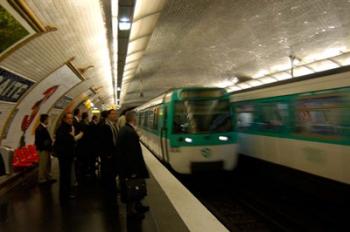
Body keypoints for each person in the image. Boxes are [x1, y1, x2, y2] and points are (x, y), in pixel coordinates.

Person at [117, 110, 149, 218]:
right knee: (132, 188)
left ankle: (138, 205)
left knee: (136, 187)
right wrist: (134, 170)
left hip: (128, 166)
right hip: (131, 167)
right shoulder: (129, 132)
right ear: (133, 119)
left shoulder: (125, 129)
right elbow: (131, 153)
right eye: (136, 118)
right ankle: (131, 212)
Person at [55, 113, 79, 200]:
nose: (70, 120)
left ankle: (66, 193)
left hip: (66, 155)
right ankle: (65, 194)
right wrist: (72, 137)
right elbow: (66, 142)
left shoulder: (66, 128)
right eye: (69, 118)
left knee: (66, 174)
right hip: (65, 155)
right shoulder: (63, 129)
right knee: (65, 175)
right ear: (64, 119)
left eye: (71, 118)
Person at [99, 109, 119, 197]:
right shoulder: (105, 126)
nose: (115, 115)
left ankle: (112, 187)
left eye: (116, 114)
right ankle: (109, 190)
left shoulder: (113, 125)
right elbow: (103, 141)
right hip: (108, 155)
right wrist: (108, 154)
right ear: (108, 115)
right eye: (113, 114)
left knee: (112, 172)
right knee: (108, 172)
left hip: (113, 153)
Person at [34, 114, 55, 184]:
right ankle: (41, 179)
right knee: (43, 164)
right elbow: (40, 141)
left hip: (46, 149)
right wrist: (49, 142)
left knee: (47, 164)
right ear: (45, 120)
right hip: (43, 149)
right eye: (47, 119)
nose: (48, 120)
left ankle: (48, 177)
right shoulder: (40, 129)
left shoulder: (43, 128)